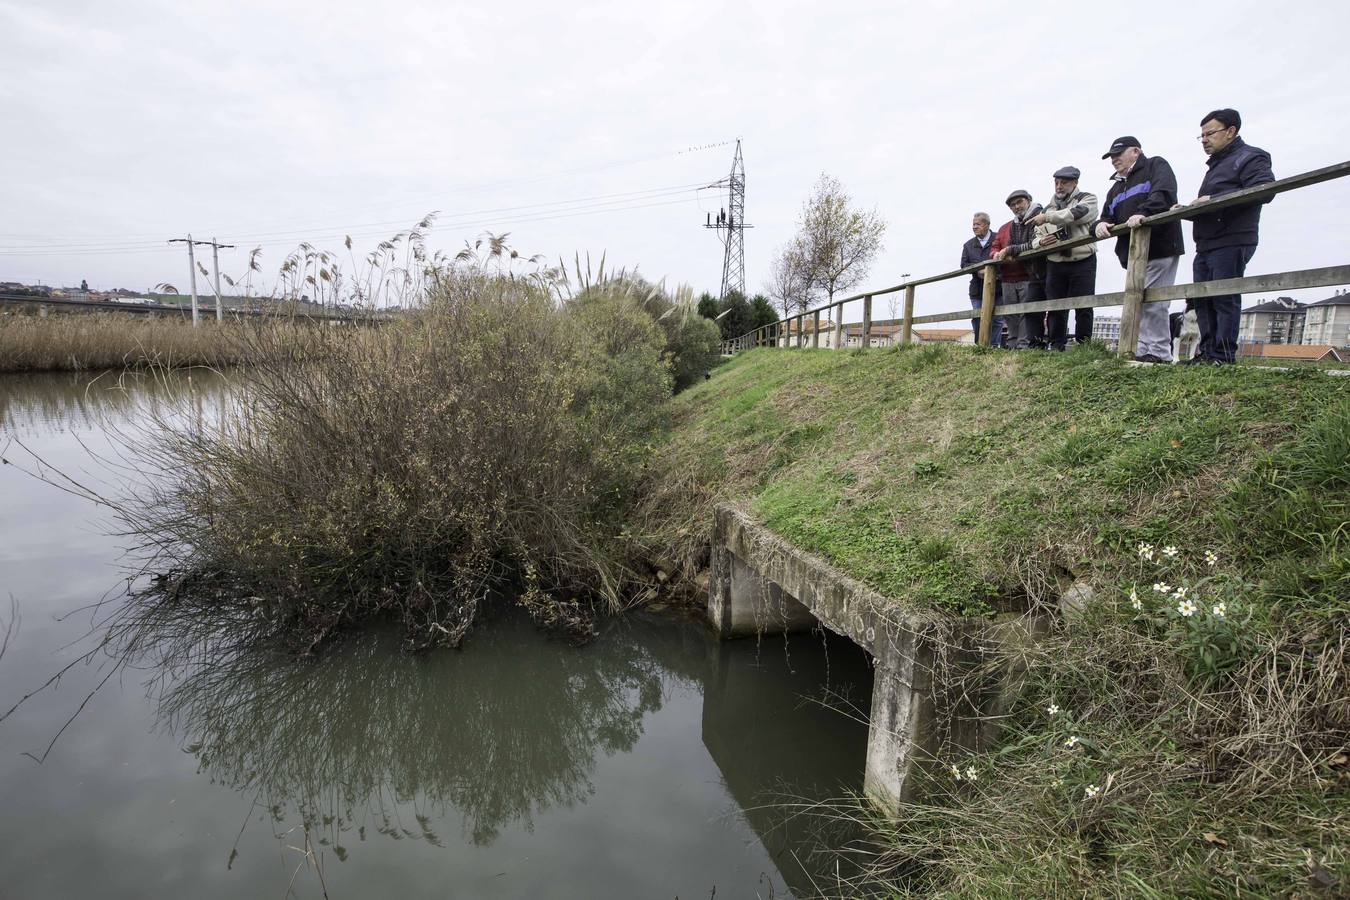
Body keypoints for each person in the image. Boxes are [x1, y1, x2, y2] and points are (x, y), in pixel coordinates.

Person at [1177, 108, 1275, 364]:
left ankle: (1223, 355)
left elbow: (1265, 190)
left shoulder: (1251, 157)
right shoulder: (1216, 166)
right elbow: (1210, 204)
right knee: (1202, 299)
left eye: (1210, 133)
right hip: (1206, 242)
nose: (1205, 140)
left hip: (1232, 239)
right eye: (1202, 136)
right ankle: (1207, 352)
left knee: (1224, 295)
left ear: (1231, 131)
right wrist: (1189, 210)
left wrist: (1213, 199)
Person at [1093, 136, 1186, 363]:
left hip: (1159, 245)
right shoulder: (1115, 188)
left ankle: (1159, 352)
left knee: (1154, 302)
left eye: (1119, 154)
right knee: (1138, 300)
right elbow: (1107, 215)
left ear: (1135, 151)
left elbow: (1163, 194)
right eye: (1112, 156)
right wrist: (1100, 224)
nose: (1114, 159)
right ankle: (1143, 348)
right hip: (1133, 254)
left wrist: (1144, 212)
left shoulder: (1156, 166)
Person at [1028, 167, 1098, 350]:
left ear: (1075, 182)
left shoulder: (1087, 198)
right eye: (1056, 183)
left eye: (1064, 182)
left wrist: (1048, 218)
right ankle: (1056, 344)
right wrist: (1041, 242)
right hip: (1056, 263)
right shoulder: (1047, 209)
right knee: (1055, 306)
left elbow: (1076, 214)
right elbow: (1035, 236)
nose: (1059, 187)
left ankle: (1084, 346)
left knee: (1084, 305)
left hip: (1082, 260)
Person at [991, 190, 1046, 349]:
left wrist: (1010, 250)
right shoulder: (1006, 227)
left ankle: (1024, 344)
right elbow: (995, 247)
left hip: (1028, 274)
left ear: (1028, 200)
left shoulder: (1038, 217)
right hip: (1008, 277)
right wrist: (996, 254)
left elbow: (1031, 243)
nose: (1016, 207)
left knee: (1026, 312)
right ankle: (1012, 343)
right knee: (1011, 313)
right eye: (1013, 205)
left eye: (1019, 202)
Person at [960, 212, 1004, 346]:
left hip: (998, 287)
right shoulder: (968, 245)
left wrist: (995, 273)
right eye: (973, 224)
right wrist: (977, 270)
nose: (974, 227)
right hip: (977, 289)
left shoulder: (999, 239)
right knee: (978, 318)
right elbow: (964, 265)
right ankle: (980, 346)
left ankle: (994, 346)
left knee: (997, 318)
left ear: (987, 225)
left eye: (977, 224)